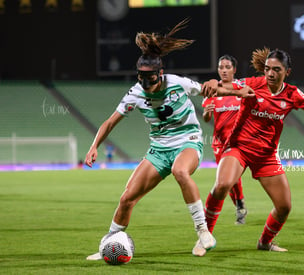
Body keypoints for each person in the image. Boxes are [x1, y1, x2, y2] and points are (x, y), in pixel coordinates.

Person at [84, 19, 229, 259]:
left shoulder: (177, 83)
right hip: (159, 149)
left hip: (188, 141)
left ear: (160, 74)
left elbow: (211, 89)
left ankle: (203, 231)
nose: (146, 83)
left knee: (180, 171)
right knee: (127, 198)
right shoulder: (135, 93)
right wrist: (93, 146)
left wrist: (236, 90)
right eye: (141, 77)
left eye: (150, 78)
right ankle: (107, 245)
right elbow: (110, 122)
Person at [201, 48, 304, 253]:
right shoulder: (253, 83)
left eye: (276, 70)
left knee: (284, 206)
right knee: (223, 184)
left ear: (287, 72)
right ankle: (204, 237)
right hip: (239, 147)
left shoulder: (292, 94)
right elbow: (226, 85)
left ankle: (265, 243)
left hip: (266, 155)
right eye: (267, 69)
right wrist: (212, 84)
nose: (270, 73)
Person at [202, 54, 248, 225]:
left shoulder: (241, 89)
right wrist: (207, 112)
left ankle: (240, 205)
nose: (223, 70)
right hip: (219, 143)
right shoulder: (213, 91)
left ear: (234, 70)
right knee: (225, 181)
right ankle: (240, 205)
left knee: (233, 177)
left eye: (227, 67)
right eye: (221, 67)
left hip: (237, 142)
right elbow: (207, 118)